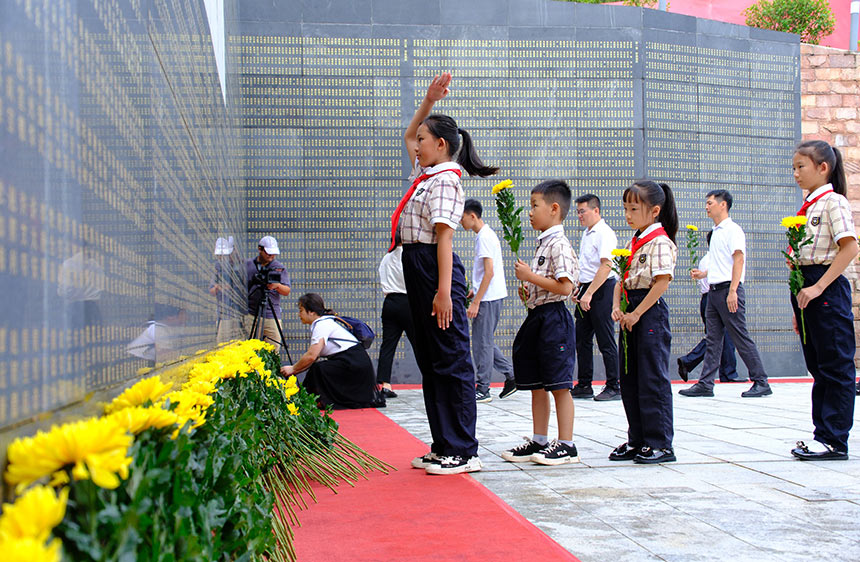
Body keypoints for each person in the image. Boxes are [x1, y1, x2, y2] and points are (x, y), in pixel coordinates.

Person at [396, 73, 498, 475]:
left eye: (424, 139)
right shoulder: (426, 175)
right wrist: (427, 100)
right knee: (433, 358)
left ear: (440, 146)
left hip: (435, 270)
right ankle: (442, 444)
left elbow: (444, 240)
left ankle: (463, 449)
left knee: (452, 359)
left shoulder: (445, 180)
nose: (416, 145)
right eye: (419, 139)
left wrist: (442, 292)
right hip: (418, 267)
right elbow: (407, 136)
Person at [501, 179, 580, 466]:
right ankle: (539, 439)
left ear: (555, 209)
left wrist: (529, 278)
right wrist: (529, 290)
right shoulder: (544, 243)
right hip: (538, 317)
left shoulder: (558, 244)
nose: (530, 212)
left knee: (559, 384)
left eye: (535, 206)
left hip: (554, 319)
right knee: (536, 383)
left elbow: (565, 288)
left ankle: (567, 444)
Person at [787, 140, 858, 461]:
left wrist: (819, 288)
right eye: (794, 168)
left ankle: (834, 439)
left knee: (835, 365)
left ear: (823, 168)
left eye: (801, 167)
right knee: (818, 365)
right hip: (807, 288)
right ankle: (823, 434)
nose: (796, 174)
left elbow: (849, 247)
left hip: (825, 287)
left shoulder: (833, 203)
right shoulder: (810, 206)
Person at [609, 180, 677, 465]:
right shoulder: (633, 242)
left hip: (649, 311)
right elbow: (620, 279)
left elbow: (662, 282)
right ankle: (637, 439)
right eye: (625, 208)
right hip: (629, 309)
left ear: (654, 211)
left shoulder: (660, 242)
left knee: (652, 378)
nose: (628, 214)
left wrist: (637, 313)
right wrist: (616, 306)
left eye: (634, 208)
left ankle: (660, 443)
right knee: (630, 377)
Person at [678, 190, 772, 399]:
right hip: (714, 292)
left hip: (729, 290)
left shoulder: (733, 230)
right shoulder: (716, 232)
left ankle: (761, 381)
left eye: (710, 203)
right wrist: (704, 274)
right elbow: (720, 263)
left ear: (723, 205)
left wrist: (732, 291)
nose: (706, 207)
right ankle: (705, 383)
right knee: (713, 340)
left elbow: (738, 260)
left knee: (740, 337)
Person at [460, 198, 516, 403]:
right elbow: (487, 271)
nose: (460, 222)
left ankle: (483, 388)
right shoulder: (485, 235)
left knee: (481, 344)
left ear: (472, 215)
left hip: (489, 299)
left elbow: (489, 272)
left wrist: (476, 302)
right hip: (490, 296)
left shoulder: (484, 237)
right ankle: (511, 375)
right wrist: (475, 292)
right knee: (486, 342)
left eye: (462, 217)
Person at [280, 294, 379, 409]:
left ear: (311, 311)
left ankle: (304, 401)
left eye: (301, 310)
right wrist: (295, 370)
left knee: (318, 369)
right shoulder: (326, 322)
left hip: (355, 368)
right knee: (318, 368)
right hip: (356, 366)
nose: (299, 314)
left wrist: (293, 369)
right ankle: (306, 399)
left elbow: (311, 356)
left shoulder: (322, 324)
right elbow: (312, 358)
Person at [570, 194, 621, 401]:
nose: (580, 215)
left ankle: (614, 385)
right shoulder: (587, 233)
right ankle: (584, 384)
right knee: (582, 339)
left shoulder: (604, 233)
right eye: (578, 212)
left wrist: (590, 293)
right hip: (587, 288)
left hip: (602, 289)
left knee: (605, 338)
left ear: (596, 210)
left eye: (583, 211)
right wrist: (579, 288)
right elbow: (587, 267)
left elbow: (606, 265)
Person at [677, 230, 740, 383]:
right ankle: (690, 361)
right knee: (718, 336)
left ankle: (727, 373)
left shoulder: (707, 259)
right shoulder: (715, 260)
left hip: (708, 299)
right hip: (715, 297)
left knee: (720, 336)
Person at [376, 232, 414, 398]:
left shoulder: (386, 258)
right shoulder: (409, 256)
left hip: (390, 303)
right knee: (419, 345)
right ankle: (431, 381)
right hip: (408, 302)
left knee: (388, 345)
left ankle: (385, 384)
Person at [245, 236, 291, 353]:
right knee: (250, 349)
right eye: (268, 253)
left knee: (274, 347)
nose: (271, 257)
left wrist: (277, 286)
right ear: (260, 249)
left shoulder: (279, 267)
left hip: (272, 312)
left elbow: (286, 290)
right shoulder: (248, 265)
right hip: (252, 313)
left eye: (273, 254)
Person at [210, 236, 246, 343]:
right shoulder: (217, 267)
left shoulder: (241, 266)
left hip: (240, 313)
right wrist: (220, 287)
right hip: (224, 314)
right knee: (222, 341)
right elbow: (212, 290)